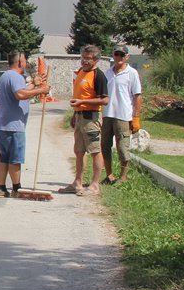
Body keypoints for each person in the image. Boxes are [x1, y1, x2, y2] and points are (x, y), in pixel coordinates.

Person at [0, 50, 50, 198]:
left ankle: (1, 188)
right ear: (20, 62)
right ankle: (17, 188)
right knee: (15, 158)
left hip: (1, 125)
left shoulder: (6, 76)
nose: (25, 63)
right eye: (24, 60)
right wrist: (40, 90)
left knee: (4, 157)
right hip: (13, 125)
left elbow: (21, 91)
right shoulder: (16, 76)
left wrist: (34, 85)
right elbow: (20, 94)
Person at [60, 44, 109, 196]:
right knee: (79, 151)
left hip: (91, 117)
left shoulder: (98, 76)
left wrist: (83, 103)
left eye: (88, 58)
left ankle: (95, 185)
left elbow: (105, 100)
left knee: (95, 150)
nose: (84, 61)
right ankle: (77, 182)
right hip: (80, 116)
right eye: (83, 57)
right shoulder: (81, 72)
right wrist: (75, 114)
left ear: (95, 60)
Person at [101, 44, 142, 185]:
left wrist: (136, 117)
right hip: (107, 115)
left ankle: (123, 177)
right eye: (116, 54)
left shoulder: (132, 73)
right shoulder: (108, 73)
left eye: (122, 55)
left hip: (123, 116)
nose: (119, 57)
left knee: (122, 146)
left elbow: (137, 96)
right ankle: (109, 175)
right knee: (105, 146)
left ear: (127, 57)